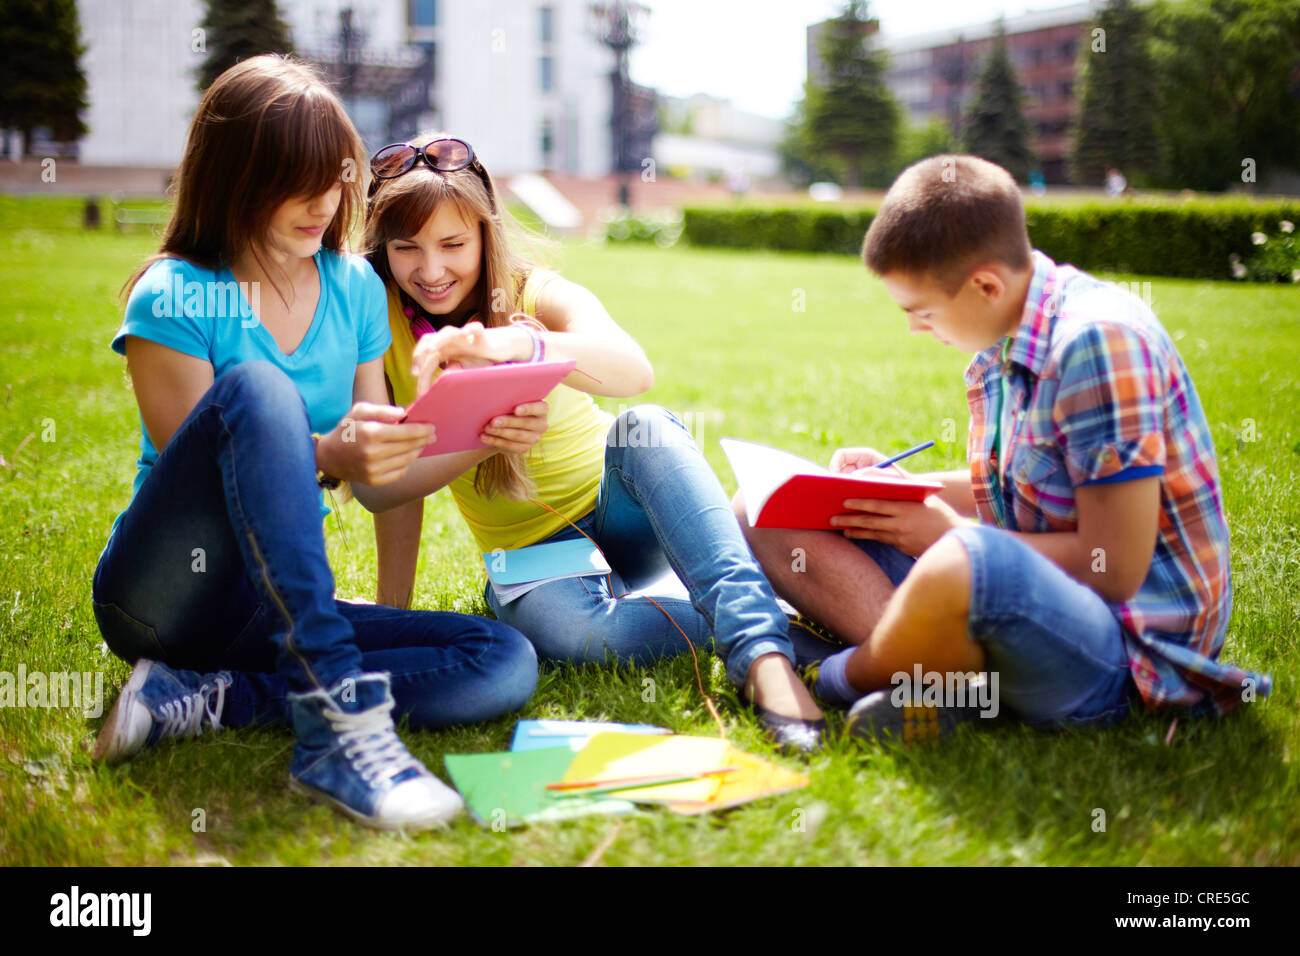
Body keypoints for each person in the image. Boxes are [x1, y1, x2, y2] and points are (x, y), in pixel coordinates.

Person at [90, 57, 544, 830]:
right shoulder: (172, 292)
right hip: (168, 592)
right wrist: (329, 454)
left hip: (279, 608)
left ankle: (210, 697)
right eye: (291, 181)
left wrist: (482, 437)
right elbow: (206, 469)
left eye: (335, 179)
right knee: (260, 391)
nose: (322, 202)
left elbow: (377, 474)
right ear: (232, 176)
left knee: (500, 659)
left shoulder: (354, 287)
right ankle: (335, 725)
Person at [737, 154, 1271, 744]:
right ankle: (950, 684)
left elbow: (1114, 568)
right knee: (761, 507)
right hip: (1021, 599)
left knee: (964, 560)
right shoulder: (1009, 325)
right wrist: (890, 490)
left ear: (984, 285)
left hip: (1125, 651)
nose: (915, 328)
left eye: (923, 311)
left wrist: (944, 536)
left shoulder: (1098, 345)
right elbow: (1015, 486)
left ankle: (827, 676)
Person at [357, 132, 827, 752]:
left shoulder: (531, 292)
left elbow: (634, 372)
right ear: (381, 247)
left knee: (647, 427)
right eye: (406, 248)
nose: (432, 269)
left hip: (623, 505)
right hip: (530, 553)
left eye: (452, 244)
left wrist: (522, 345)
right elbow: (382, 488)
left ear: (485, 232)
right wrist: (397, 612)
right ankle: (788, 627)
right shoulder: (374, 315)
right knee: (577, 638)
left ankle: (763, 656)